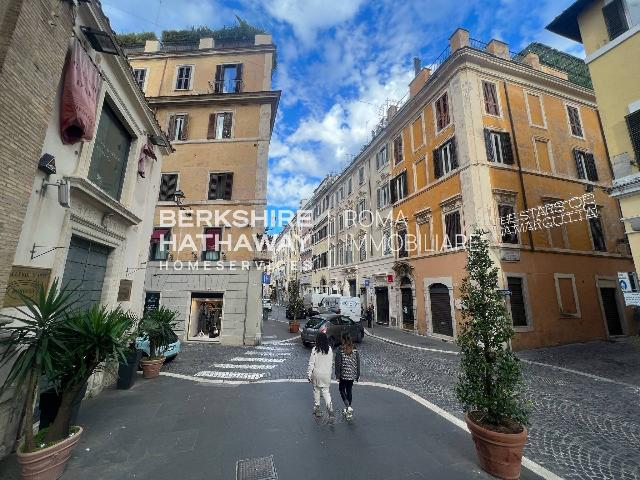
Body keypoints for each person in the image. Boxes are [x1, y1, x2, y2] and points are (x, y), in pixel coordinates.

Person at [307, 332, 334, 421]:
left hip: (317, 374)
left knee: (317, 390)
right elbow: (331, 363)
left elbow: (311, 363)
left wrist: (309, 374)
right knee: (326, 392)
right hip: (326, 374)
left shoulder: (315, 350)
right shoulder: (329, 350)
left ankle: (317, 409)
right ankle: (330, 409)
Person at [334, 333, 360, 420]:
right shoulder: (355, 349)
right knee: (349, 390)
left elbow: (338, 364)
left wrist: (337, 375)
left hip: (343, 375)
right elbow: (358, 362)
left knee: (341, 390)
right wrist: (357, 374)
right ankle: (349, 410)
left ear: (343, 339)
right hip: (352, 374)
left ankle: (348, 407)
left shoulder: (340, 349)